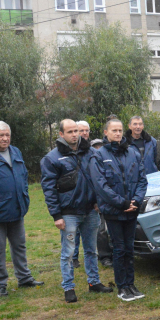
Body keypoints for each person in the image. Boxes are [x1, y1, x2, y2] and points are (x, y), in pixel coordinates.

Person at [41, 119, 113, 303]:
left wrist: (98, 201)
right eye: (71, 131)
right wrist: (56, 215)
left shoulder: (90, 152)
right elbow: (49, 189)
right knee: (68, 252)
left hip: (90, 210)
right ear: (61, 134)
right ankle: (68, 287)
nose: (75, 134)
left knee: (91, 249)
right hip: (68, 212)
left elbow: (99, 178)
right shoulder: (52, 158)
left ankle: (94, 283)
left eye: (76, 131)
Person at [0, 121, 43, 297]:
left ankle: (24, 278)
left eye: (7, 135)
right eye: (1, 135)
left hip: (16, 210)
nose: (5, 139)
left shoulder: (15, 151)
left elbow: (23, 175)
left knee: (19, 246)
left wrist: (24, 198)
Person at [89, 118, 147, 302]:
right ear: (105, 132)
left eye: (120, 130)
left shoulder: (133, 152)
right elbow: (101, 185)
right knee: (119, 248)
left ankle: (131, 284)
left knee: (129, 248)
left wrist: (136, 200)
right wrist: (122, 203)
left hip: (132, 209)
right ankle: (122, 286)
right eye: (114, 130)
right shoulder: (99, 155)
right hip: (114, 211)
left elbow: (142, 179)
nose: (118, 133)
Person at [71, 121, 92, 268]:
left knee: (89, 234)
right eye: (81, 130)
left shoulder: (91, 150)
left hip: (89, 200)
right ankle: (74, 257)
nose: (84, 133)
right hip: (73, 199)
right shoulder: (69, 150)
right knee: (74, 233)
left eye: (86, 130)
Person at [91, 138, 113, 267]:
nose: (98, 149)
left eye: (100, 147)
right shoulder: (93, 162)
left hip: (112, 200)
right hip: (99, 201)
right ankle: (104, 256)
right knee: (101, 230)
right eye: (95, 147)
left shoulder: (109, 160)